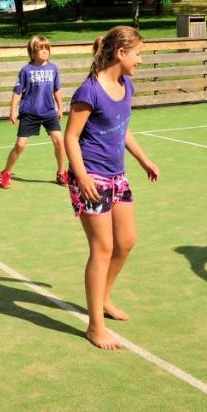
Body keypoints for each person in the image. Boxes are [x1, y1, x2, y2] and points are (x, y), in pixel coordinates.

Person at [64, 25, 160, 350]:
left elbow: (123, 128)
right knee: (102, 249)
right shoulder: (88, 91)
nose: (140, 61)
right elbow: (70, 138)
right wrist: (83, 177)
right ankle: (95, 327)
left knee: (127, 242)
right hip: (90, 178)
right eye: (138, 54)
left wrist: (144, 160)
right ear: (121, 53)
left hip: (118, 176)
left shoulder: (126, 86)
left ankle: (104, 298)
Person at [0, 35, 66, 189]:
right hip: (29, 112)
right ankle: (6, 173)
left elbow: (57, 89)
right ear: (32, 52)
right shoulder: (26, 70)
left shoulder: (53, 68)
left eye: (46, 48)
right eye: (40, 49)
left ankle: (61, 172)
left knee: (59, 142)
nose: (44, 51)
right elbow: (17, 92)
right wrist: (13, 111)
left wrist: (60, 107)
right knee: (20, 145)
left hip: (49, 112)